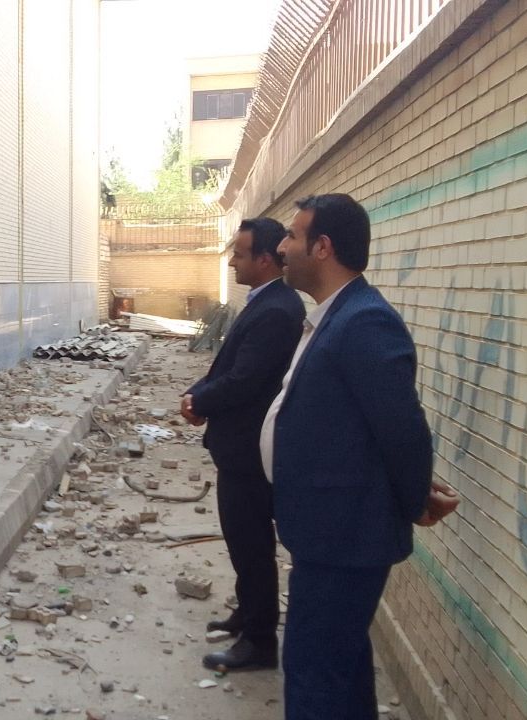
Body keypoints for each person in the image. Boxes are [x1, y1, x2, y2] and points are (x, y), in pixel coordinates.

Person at [262, 193, 459, 719]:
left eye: (293, 236)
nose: (282, 247)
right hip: (329, 532)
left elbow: (402, 429)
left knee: (314, 673)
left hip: (344, 538)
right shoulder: (336, 316)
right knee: (340, 670)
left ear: (322, 247)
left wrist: (414, 499)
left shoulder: (364, 321)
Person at [181, 217, 304, 672]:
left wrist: (200, 400)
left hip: (250, 452)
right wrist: (198, 393)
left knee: (250, 544)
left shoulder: (276, 310)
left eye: (240, 253)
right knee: (242, 541)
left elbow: (245, 379)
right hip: (241, 447)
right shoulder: (266, 302)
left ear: (265, 259)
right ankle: (247, 614)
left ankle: (258, 641)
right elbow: (227, 367)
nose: (232, 260)